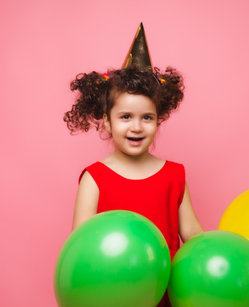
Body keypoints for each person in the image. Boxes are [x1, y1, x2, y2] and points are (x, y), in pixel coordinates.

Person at [64, 24, 204, 307]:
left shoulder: (174, 175)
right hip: (112, 294)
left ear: (158, 119)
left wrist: (227, 253)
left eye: (147, 118)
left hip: (165, 294)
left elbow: (194, 237)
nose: (136, 127)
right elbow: (81, 247)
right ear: (107, 121)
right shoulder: (95, 178)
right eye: (126, 117)